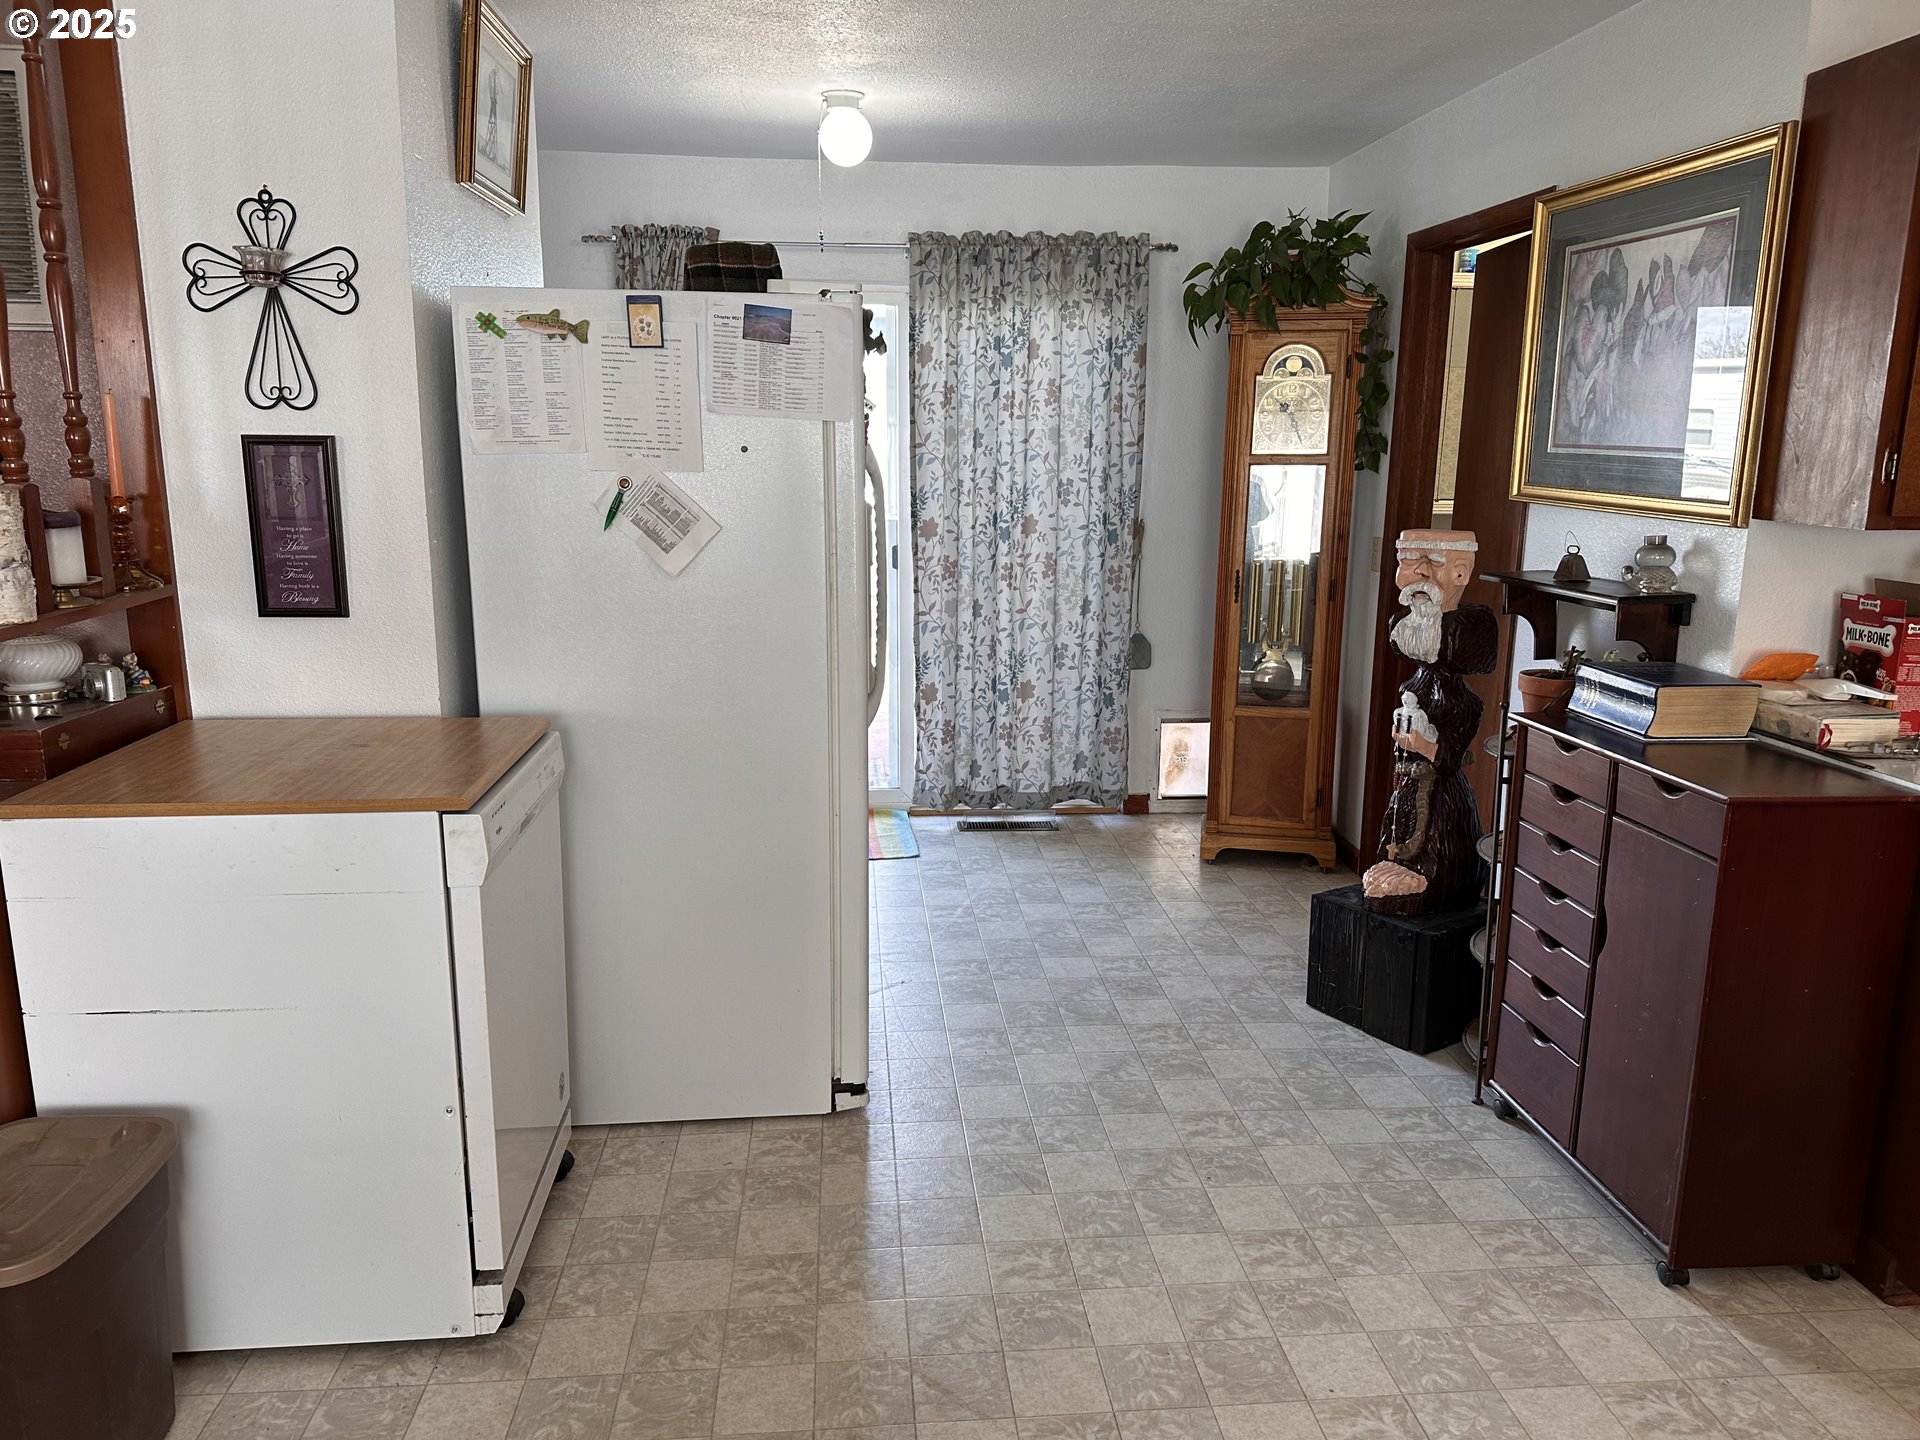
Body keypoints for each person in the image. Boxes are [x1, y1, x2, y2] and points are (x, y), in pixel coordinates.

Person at [1363, 529, 1498, 916]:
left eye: (1433, 562)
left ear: (1460, 573)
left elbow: (1451, 755)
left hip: (1438, 783)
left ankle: (1433, 874)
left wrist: (1425, 745)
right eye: (1408, 560)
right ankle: (1401, 863)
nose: (1419, 573)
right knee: (1401, 818)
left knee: (1436, 820)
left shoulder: (1459, 686)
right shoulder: (1417, 676)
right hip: (1410, 774)